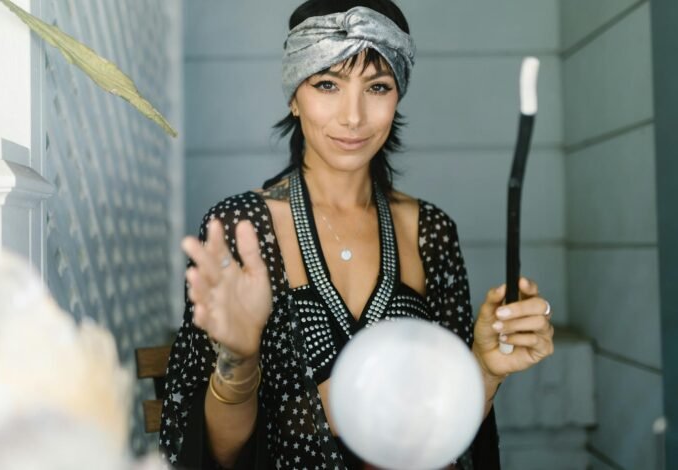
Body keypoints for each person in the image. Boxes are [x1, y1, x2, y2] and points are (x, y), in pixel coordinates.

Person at [160, 1, 555, 468]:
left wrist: (485, 370)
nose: (353, 116)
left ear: (398, 95)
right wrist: (239, 357)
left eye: (377, 87)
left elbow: (447, 430)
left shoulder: (430, 231)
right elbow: (214, 456)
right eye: (327, 84)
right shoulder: (241, 229)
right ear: (293, 95)